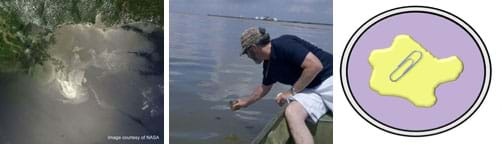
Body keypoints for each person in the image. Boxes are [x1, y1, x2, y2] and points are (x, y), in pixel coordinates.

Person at [231, 27, 333, 144]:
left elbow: (315, 66)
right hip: (309, 88)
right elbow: (264, 88)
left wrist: (290, 92)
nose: (248, 56)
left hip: (329, 79)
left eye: (247, 53)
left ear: (254, 48)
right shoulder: (268, 66)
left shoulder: (284, 44)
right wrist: (245, 102)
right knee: (293, 112)